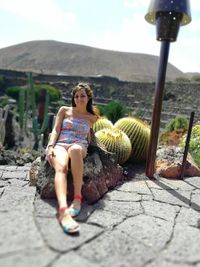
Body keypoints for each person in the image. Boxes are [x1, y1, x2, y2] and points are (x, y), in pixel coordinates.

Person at [46, 82, 98, 234]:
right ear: (73, 98)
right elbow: (55, 130)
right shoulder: (64, 110)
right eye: (76, 96)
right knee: (61, 168)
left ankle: (77, 198)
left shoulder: (93, 117)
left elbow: (89, 136)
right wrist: (50, 146)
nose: (79, 98)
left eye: (82, 96)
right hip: (61, 144)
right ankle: (63, 211)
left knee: (75, 150)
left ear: (88, 98)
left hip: (79, 145)